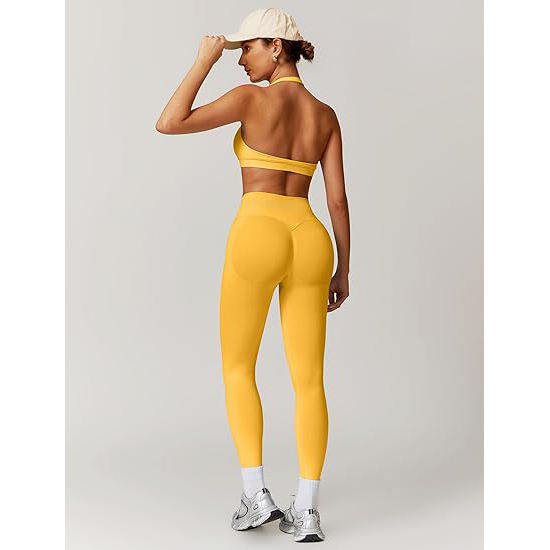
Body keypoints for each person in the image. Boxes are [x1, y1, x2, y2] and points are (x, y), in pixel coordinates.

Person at [155, 7, 350, 543]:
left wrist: (203, 60)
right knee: (309, 379)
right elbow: (336, 199)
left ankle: (255, 495)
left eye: (247, 49)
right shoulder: (326, 115)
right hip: (310, 237)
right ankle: (306, 510)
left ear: (276, 48)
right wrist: (343, 267)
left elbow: (169, 121)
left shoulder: (251, 100)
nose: (240, 59)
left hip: (258, 232)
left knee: (238, 367)